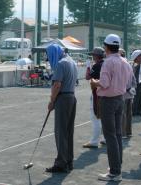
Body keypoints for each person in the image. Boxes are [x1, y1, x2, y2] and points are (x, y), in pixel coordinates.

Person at [90, 34, 132, 182]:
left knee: (110, 136)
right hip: (120, 99)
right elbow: (128, 83)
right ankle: (117, 166)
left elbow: (105, 83)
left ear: (106, 47)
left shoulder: (108, 62)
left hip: (108, 100)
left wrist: (95, 82)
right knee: (118, 134)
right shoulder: (125, 61)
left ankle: (115, 172)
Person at [45, 44, 78, 173]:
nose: (48, 58)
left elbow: (57, 85)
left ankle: (61, 163)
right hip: (71, 97)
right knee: (69, 131)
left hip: (63, 98)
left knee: (60, 132)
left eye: (49, 55)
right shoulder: (71, 61)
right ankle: (69, 161)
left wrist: (51, 101)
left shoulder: (60, 63)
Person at [83, 47, 105, 148]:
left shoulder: (97, 66)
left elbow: (87, 77)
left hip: (97, 93)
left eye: (93, 55)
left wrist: (88, 67)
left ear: (96, 56)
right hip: (105, 93)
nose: (92, 57)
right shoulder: (106, 64)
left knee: (95, 117)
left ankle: (94, 141)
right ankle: (104, 138)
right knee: (104, 117)